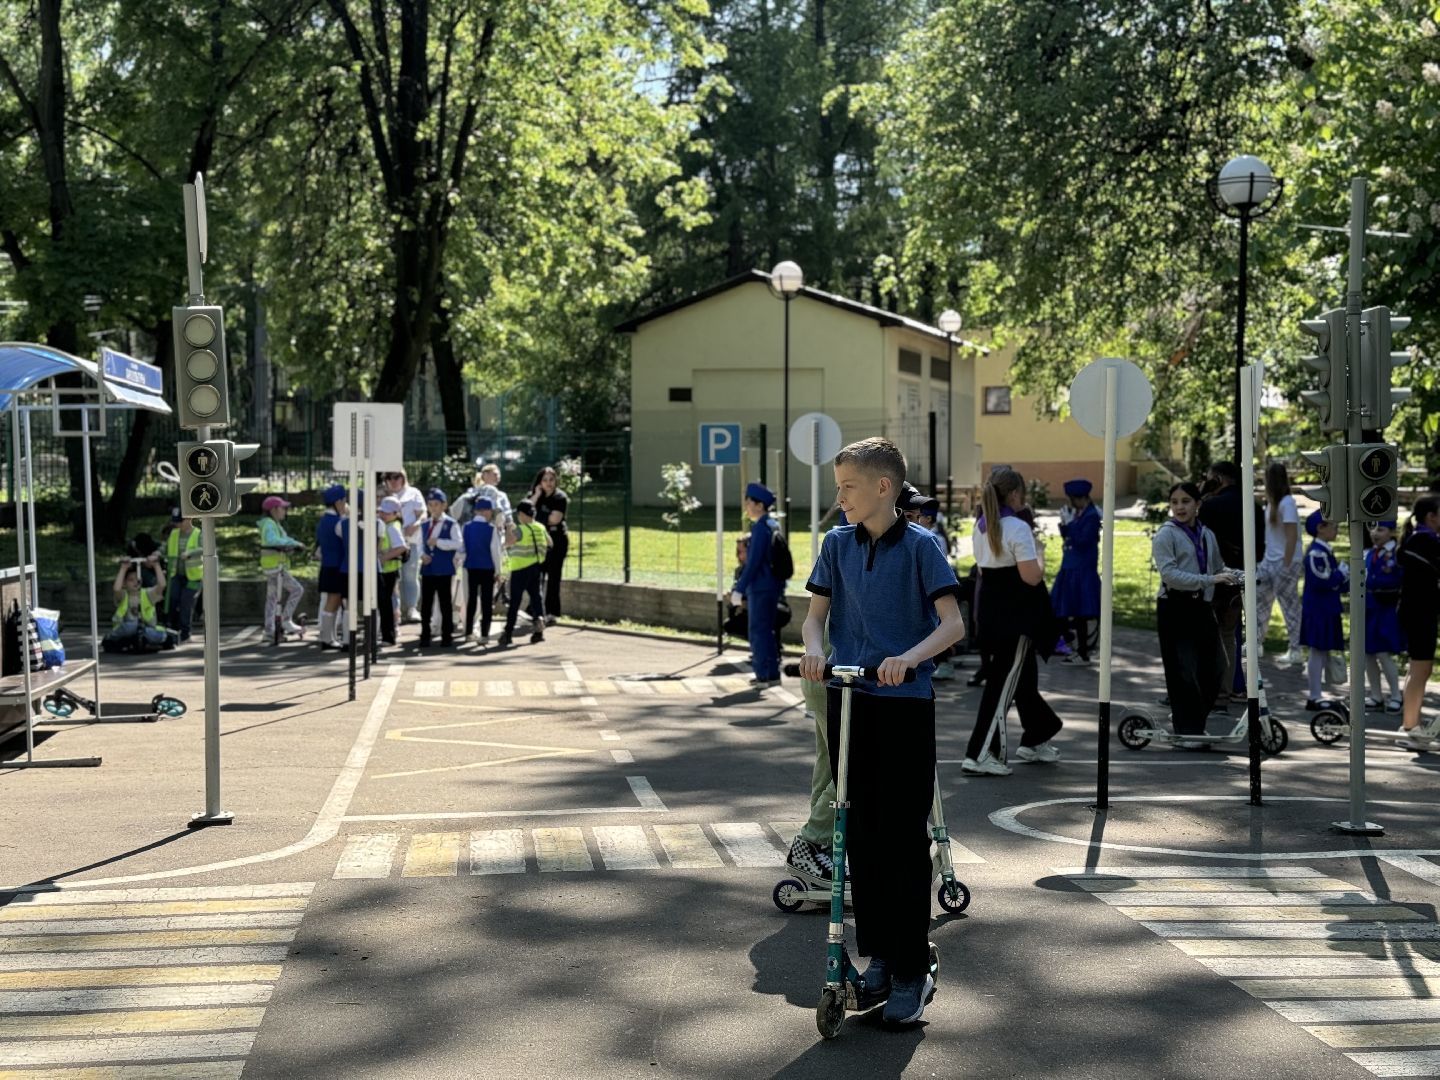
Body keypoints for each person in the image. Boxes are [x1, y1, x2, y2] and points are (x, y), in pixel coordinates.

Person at [800, 436, 964, 1027]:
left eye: (847, 487)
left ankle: (911, 967)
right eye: (838, 485)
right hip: (851, 698)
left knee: (898, 836)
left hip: (902, 703)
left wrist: (909, 658)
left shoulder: (922, 546)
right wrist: (814, 654)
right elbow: (814, 620)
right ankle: (880, 957)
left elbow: (952, 624)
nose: (839, 497)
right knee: (860, 833)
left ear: (882, 488)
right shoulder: (837, 544)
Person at [961, 467, 1065, 776]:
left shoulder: (981, 526)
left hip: (991, 612)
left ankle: (1037, 735)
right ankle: (980, 752)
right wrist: (1042, 558)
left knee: (1022, 677)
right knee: (1002, 684)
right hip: (1016, 615)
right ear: (1016, 495)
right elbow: (1031, 577)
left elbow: (984, 571)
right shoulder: (1017, 528)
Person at [1153, 481, 1236, 746]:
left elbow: (1218, 567)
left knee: (1216, 667)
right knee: (1183, 670)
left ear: (1198, 505)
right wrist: (1210, 580)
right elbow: (1170, 576)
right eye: (1175, 502)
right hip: (1175, 606)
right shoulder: (1166, 535)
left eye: (1186, 501)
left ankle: (1193, 724)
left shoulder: (1206, 534)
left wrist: (1238, 576)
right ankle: (1186, 729)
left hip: (1201, 606)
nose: (1180, 507)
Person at [1198, 461, 1266, 705]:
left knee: (1203, 635)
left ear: (1217, 478)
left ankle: (1204, 690)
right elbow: (1259, 551)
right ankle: (1223, 693)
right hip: (1239, 580)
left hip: (1211, 579)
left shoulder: (1209, 506)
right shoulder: (1255, 508)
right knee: (1228, 636)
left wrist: (1201, 494)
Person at [731, 482, 790, 686]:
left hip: (760, 587)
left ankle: (763, 674)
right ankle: (772, 673)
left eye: (749, 502)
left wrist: (739, 589)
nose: (746, 506)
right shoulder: (771, 525)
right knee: (768, 631)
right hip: (772, 586)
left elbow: (753, 562)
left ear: (758, 505)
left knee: (758, 631)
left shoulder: (759, 529)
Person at [1399, 497, 1440, 742]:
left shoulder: (1424, 540)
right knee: (1420, 668)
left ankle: (1411, 722)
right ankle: (1410, 728)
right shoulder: (1424, 541)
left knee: (1420, 669)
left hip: (1419, 611)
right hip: (1419, 613)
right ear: (1431, 516)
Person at [1257, 461, 1305, 668]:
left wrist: (1287, 564)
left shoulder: (1287, 503)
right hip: (1269, 560)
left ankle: (1296, 650)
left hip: (1286, 562)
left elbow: (1291, 535)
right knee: (1260, 600)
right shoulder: (1272, 503)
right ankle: (1256, 642)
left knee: (1290, 606)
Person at [1301, 509, 1349, 710]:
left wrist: (1342, 579)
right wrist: (1341, 574)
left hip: (1326, 607)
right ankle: (1314, 694)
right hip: (1318, 609)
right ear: (1321, 528)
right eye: (1333, 525)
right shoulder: (1316, 553)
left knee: (1321, 651)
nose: (1336, 529)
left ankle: (1318, 692)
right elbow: (1323, 580)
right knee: (1317, 651)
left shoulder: (1325, 551)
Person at [1051, 479, 1101, 665]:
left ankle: (1083, 653)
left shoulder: (1091, 516)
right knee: (1060, 608)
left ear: (1079, 498)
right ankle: (1073, 644)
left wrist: (1070, 525)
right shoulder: (1080, 514)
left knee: (1079, 612)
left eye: (1071, 499)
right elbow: (1069, 537)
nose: (1069, 504)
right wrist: (1065, 525)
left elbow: (1082, 541)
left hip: (1082, 570)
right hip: (1070, 567)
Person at [1364, 519, 1405, 713]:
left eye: (1380, 529)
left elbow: (1397, 578)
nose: (1375, 533)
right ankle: (1376, 695)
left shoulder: (1396, 553)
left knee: (1383, 652)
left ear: (1391, 531)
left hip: (1385, 608)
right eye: (1372, 528)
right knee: (1367, 654)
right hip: (1369, 608)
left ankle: (1396, 695)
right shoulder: (1369, 553)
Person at [498, 498, 550, 647]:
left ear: (521, 514)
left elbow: (507, 543)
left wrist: (509, 527)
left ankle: (507, 633)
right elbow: (550, 542)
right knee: (536, 597)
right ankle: (539, 624)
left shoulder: (520, 529)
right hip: (535, 567)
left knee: (515, 601)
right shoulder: (540, 527)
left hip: (520, 569)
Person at [418, 488, 462, 647]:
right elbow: (418, 545)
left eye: (436, 504)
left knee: (445, 603)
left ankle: (447, 634)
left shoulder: (451, 523)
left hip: (444, 569)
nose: (433, 508)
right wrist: (422, 555)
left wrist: (439, 542)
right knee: (426, 604)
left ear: (444, 505)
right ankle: (425, 634)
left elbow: (458, 543)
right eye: (430, 505)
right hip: (428, 569)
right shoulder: (424, 524)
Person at [104, 551, 172, 652]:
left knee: (157, 633)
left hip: (146, 629)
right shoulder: (124, 595)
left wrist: (156, 565)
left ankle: (144, 640)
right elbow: (117, 589)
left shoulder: (147, 593)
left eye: (137, 579)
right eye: (131, 580)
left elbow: (162, 585)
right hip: (126, 628)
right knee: (132, 626)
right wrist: (123, 568)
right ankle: (112, 639)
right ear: (125, 583)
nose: (135, 582)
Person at [258, 496, 305, 638]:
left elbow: (285, 538)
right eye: (283, 508)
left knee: (272, 598)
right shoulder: (269, 525)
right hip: (276, 568)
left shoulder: (273, 524)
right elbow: (273, 540)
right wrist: (294, 545)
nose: (285, 511)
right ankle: (285, 620)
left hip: (272, 567)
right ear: (273, 510)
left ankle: (269, 629)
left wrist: (296, 544)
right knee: (297, 589)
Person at [383, 470, 426, 623]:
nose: (393, 481)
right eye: (389, 477)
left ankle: (412, 608)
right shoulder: (383, 494)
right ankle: (395, 612)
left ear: (403, 478)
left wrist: (414, 525)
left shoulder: (413, 493)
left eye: (396, 477)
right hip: (388, 543)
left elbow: (423, 514)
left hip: (409, 541)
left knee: (410, 575)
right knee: (392, 578)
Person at [529, 466, 569, 624]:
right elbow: (525, 513)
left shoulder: (560, 498)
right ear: (539, 482)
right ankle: (534, 610)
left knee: (553, 577)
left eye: (551, 480)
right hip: (538, 541)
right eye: (545, 480)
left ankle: (552, 612)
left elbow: (555, 519)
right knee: (535, 577)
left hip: (556, 540)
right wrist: (537, 495)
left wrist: (536, 516)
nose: (548, 483)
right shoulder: (534, 495)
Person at [462, 497, 506, 644]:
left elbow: (462, 549)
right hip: (487, 569)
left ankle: (468, 631)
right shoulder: (491, 529)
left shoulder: (466, 527)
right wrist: (498, 571)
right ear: (486, 511)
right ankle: (484, 635)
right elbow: (495, 552)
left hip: (471, 567)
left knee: (471, 600)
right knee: (486, 602)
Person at [314, 484, 348, 651]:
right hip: (338, 567)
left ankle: (328, 637)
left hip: (327, 566)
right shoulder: (338, 523)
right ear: (338, 502)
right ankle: (328, 638)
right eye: (344, 501)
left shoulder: (323, 521)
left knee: (331, 602)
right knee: (335, 601)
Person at [375, 496, 409, 646]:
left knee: (386, 604)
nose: (383, 515)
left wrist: (383, 558)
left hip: (389, 571)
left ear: (396, 513)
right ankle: (388, 634)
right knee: (386, 603)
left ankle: (388, 637)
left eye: (387, 513)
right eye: (382, 512)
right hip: (387, 570)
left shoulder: (392, 527)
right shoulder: (389, 525)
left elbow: (401, 547)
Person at [164, 509, 203, 642]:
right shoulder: (174, 534)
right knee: (173, 600)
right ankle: (174, 630)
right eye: (175, 522)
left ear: (188, 519)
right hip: (176, 574)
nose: (177, 525)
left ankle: (186, 632)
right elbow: (166, 548)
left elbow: (205, 548)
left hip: (193, 576)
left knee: (186, 603)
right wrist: (157, 553)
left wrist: (190, 553)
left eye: (180, 522)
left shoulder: (198, 533)